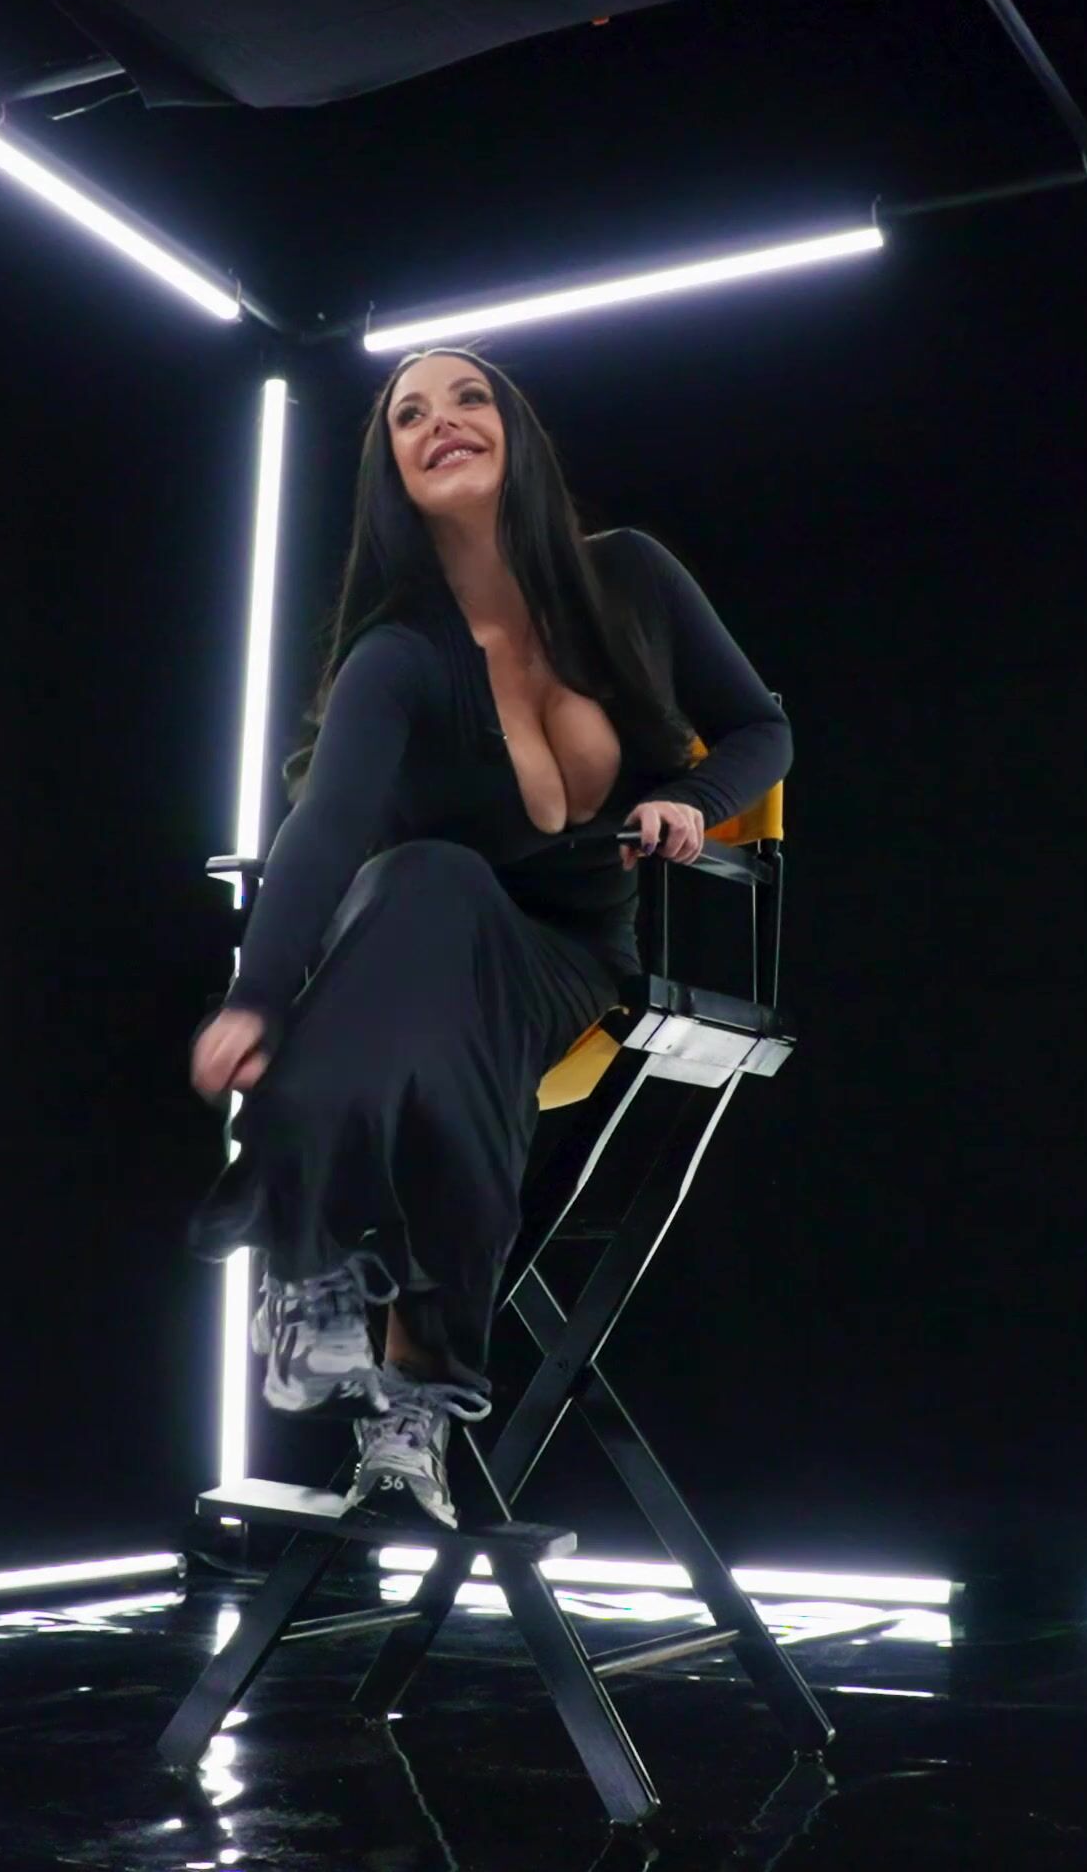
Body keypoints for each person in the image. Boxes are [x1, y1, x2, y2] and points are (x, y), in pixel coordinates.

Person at [186, 347, 790, 1527]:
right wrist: (255, 997)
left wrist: (695, 802)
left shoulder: (630, 577)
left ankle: (309, 1250)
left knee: (460, 985)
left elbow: (761, 729)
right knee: (430, 883)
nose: (442, 420)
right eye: (409, 414)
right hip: (411, 962)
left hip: (570, 957)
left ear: (516, 432)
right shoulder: (397, 653)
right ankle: (405, 1387)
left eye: (469, 397)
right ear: (394, 473)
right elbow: (324, 829)